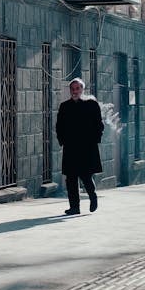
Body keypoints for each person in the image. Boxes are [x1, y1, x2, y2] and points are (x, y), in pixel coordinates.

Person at [56, 77, 104, 215]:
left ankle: (92, 196)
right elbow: (59, 126)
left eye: (77, 88)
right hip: (71, 147)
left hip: (87, 147)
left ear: (82, 89)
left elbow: (99, 125)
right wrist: (62, 140)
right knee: (70, 178)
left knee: (85, 176)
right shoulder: (64, 107)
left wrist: (95, 140)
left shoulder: (91, 104)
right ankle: (74, 207)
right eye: (72, 89)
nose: (75, 91)